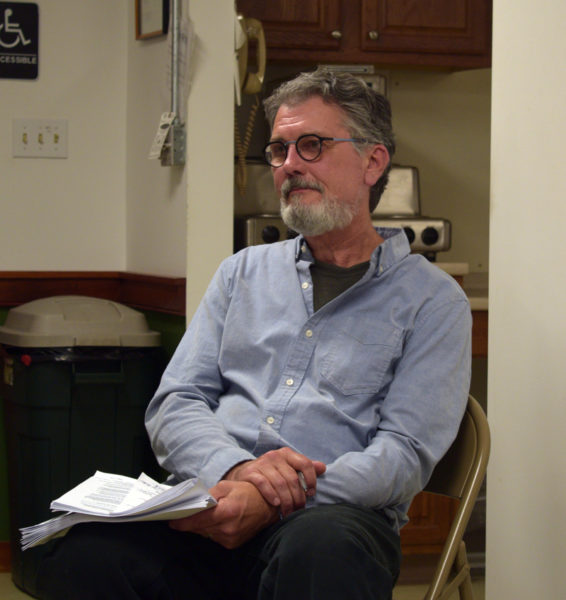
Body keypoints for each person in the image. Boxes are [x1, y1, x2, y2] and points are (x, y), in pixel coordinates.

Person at [36, 68, 471, 600]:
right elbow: (178, 401)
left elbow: (402, 455)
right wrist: (238, 471)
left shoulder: (433, 300)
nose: (289, 165)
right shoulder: (241, 273)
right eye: (279, 150)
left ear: (372, 161)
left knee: (321, 553)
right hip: (212, 501)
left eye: (310, 145)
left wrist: (272, 500)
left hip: (331, 520)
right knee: (81, 554)